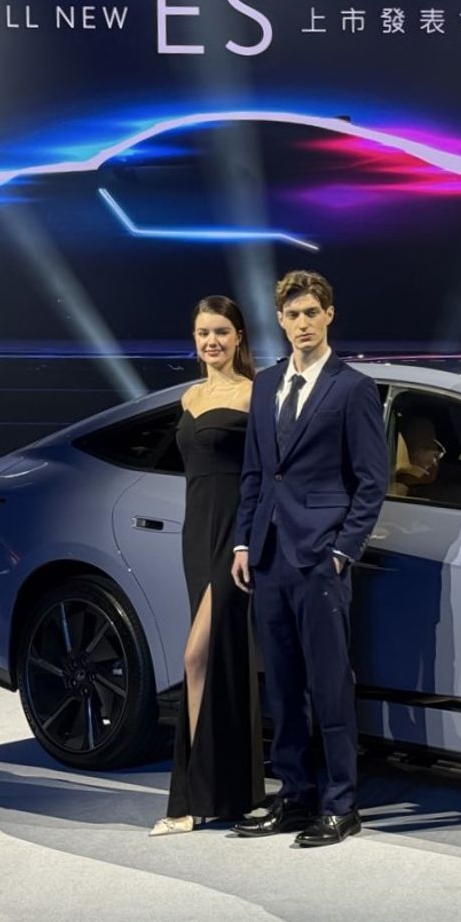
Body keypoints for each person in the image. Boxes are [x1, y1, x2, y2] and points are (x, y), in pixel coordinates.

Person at [229, 270, 387, 847]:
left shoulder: (352, 388)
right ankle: (294, 795)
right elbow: (255, 472)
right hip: (268, 556)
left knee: (329, 684)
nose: (302, 324)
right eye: (292, 315)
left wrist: (343, 550)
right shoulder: (267, 383)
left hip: (320, 558)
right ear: (280, 320)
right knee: (282, 685)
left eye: (311, 313)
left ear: (329, 315)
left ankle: (341, 803)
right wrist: (243, 542)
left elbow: (372, 481)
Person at [151, 296, 265, 835]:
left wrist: (249, 540)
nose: (211, 341)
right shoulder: (190, 396)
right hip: (195, 535)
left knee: (197, 656)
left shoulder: (255, 394)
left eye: (221, 331)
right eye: (203, 333)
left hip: (234, 537)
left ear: (239, 336)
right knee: (219, 660)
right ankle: (232, 793)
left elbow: (264, 474)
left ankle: (191, 799)